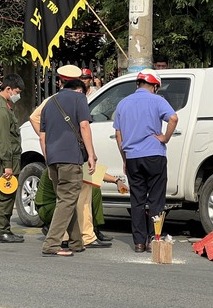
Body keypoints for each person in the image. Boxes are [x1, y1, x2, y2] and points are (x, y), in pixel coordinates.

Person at [114, 69, 178, 253]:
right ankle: (153, 239)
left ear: (138, 84)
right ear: (155, 86)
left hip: (133, 157)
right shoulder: (158, 100)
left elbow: (119, 135)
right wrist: (165, 138)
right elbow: (173, 118)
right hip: (155, 155)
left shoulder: (123, 103)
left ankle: (139, 243)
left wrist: (125, 159)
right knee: (156, 199)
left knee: (137, 200)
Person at [40, 76, 96, 256]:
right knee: (67, 200)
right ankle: (51, 244)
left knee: (65, 200)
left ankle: (76, 242)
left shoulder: (49, 103)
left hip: (53, 159)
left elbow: (42, 136)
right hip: (70, 157)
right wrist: (92, 155)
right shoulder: (79, 99)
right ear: (80, 90)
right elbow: (85, 126)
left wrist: (48, 160)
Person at [35, 166, 127, 247]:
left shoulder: (69, 163)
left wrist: (117, 181)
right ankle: (61, 232)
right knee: (76, 197)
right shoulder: (64, 166)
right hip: (47, 207)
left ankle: (94, 229)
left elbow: (93, 172)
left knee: (94, 190)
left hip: (57, 204)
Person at [0, 73, 25, 243]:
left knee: (6, 194)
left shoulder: (1, 105)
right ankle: (2, 231)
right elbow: (3, 139)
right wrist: (7, 165)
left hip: (3, 157)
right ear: (8, 89)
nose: (18, 95)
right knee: (4, 194)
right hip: (3, 159)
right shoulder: (1, 109)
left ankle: (4, 229)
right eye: (16, 91)